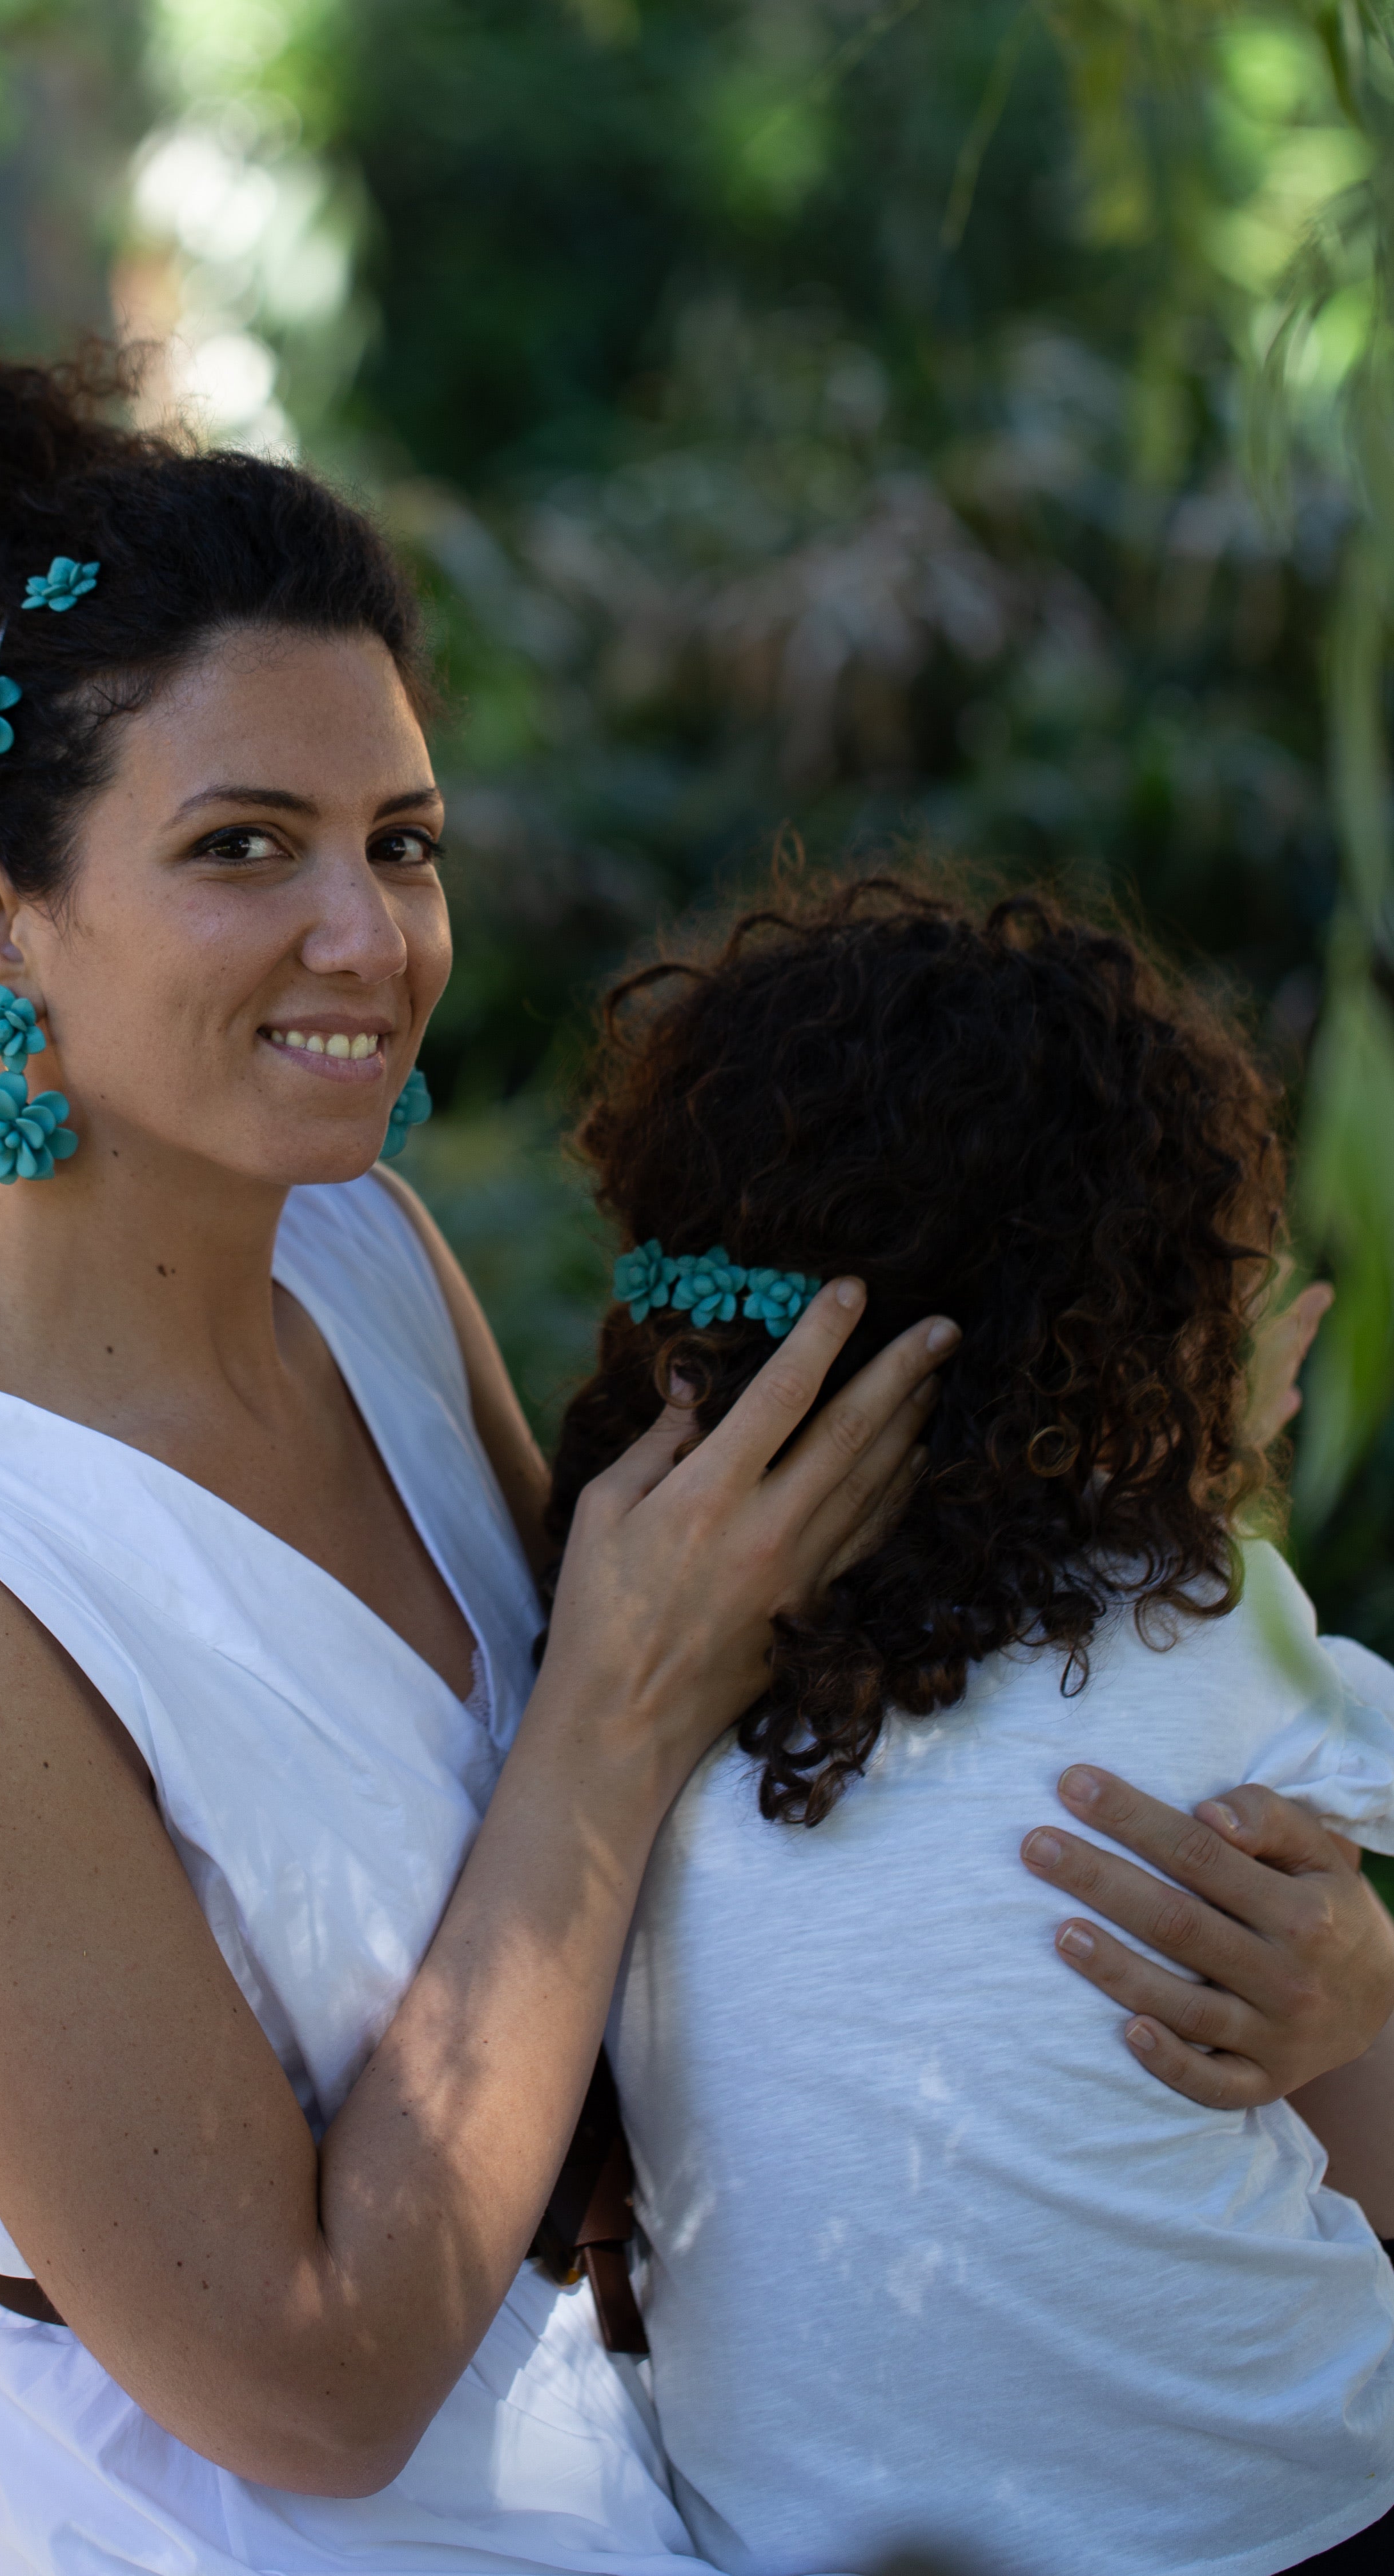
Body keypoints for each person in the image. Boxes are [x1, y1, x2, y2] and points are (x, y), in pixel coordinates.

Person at [0, 336, 1394, 2576]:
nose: (370, 940)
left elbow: (743, 1790)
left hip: (652, 2493)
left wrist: (1311, 1965)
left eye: (401, 843)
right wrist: (619, 1710)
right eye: (244, 847)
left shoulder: (350, 1247)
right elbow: (307, 2378)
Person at [550, 876, 1394, 2576]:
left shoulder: (608, 1644)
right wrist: (1206, 1492)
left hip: (801, 2535)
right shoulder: (1206, 1622)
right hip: (1290, 2506)